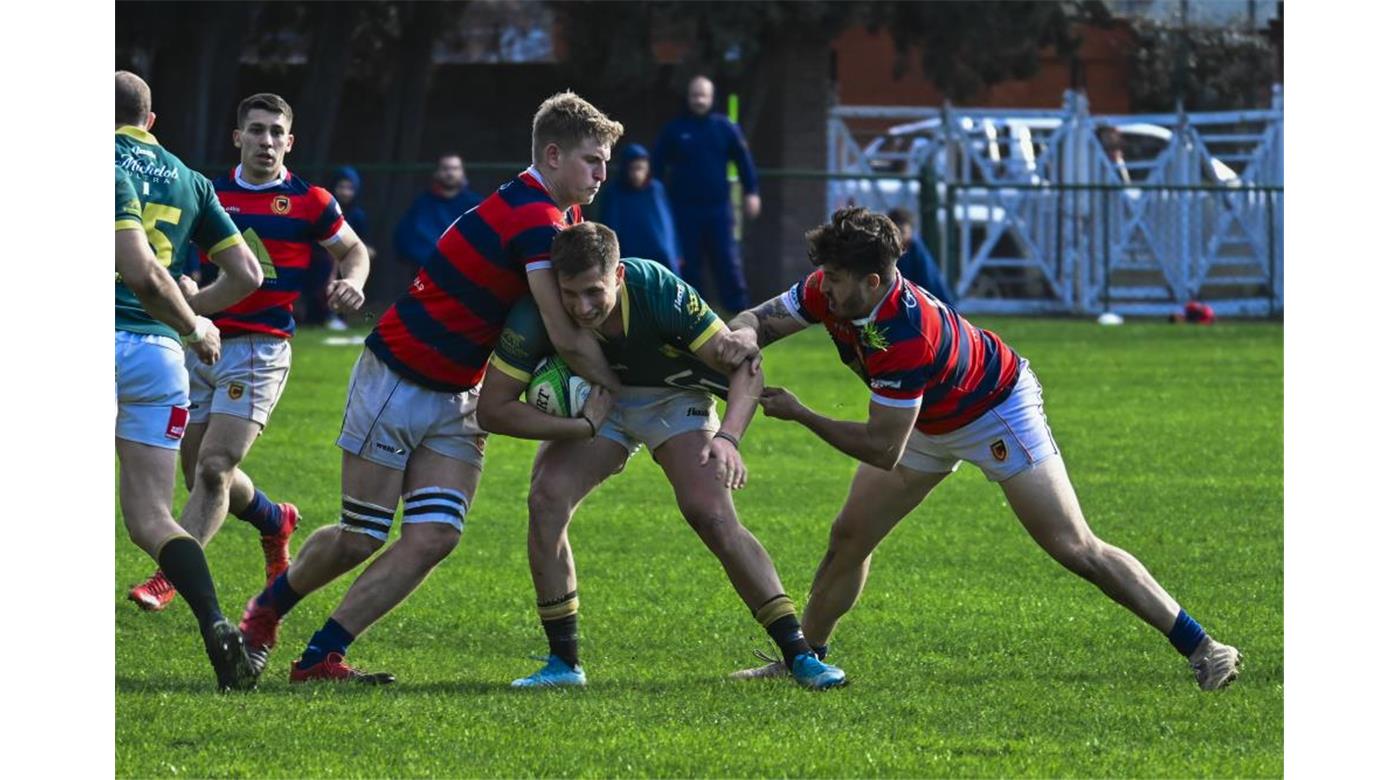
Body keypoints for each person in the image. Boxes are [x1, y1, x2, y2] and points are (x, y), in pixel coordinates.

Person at [725, 207, 1241, 691]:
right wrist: (740, 338)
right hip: (920, 416)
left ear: (873, 282)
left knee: (1074, 547)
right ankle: (803, 658)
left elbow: (883, 449)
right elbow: (759, 319)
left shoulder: (906, 336)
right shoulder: (831, 289)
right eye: (826, 276)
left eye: (835, 278)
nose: (824, 288)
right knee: (850, 537)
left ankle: (1204, 647)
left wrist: (804, 414)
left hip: (993, 412)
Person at [236, 91, 630, 684]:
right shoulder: (532, 217)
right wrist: (622, 387)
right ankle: (266, 611)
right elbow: (562, 331)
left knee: (436, 535)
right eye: (592, 160)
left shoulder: (563, 218)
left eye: (605, 162)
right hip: (400, 375)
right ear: (552, 156)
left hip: (461, 391)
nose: (602, 173)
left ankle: (321, 656)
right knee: (360, 536)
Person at [477, 223, 842, 690]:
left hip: (673, 401)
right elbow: (493, 409)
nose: (581, 307)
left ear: (619, 277)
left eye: (594, 292)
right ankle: (563, 665)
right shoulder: (538, 312)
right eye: (569, 294)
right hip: (600, 401)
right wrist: (581, 426)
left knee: (709, 513)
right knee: (546, 499)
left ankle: (800, 656)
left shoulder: (656, 289)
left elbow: (746, 367)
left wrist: (728, 438)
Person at [127, 93, 372, 612]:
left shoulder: (311, 201)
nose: (267, 141)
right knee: (197, 476)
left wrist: (352, 281)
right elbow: (171, 253)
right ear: (238, 137)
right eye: (256, 131)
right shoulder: (206, 193)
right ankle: (272, 519)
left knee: (215, 468)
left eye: (276, 132)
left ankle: (171, 574)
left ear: (290, 141)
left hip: (262, 348)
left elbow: (352, 250)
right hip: (201, 342)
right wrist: (186, 283)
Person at [114, 71, 264, 690]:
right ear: (152, 121)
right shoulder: (189, 176)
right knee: (152, 518)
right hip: (157, 357)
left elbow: (140, 271)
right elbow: (249, 273)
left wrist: (192, 321)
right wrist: (196, 314)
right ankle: (216, 622)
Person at [652, 75, 760, 313]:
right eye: (695, 95)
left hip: (719, 209)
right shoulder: (675, 130)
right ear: (688, 97)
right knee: (688, 264)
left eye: (704, 95)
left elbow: (744, 161)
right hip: (683, 209)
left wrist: (751, 191)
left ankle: (740, 314)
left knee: (727, 262)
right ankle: (692, 314)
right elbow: (657, 169)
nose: (699, 100)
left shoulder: (725, 128)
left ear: (712, 98)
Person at [304, 166, 375, 330]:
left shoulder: (358, 215)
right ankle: (315, 318)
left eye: (350, 188)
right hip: (321, 261)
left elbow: (363, 246)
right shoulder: (325, 210)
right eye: (341, 187)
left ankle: (337, 316)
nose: (345, 192)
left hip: (344, 262)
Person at [597, 143, 682, 274]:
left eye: (641, 168)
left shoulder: (656, 189)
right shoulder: (614, 193)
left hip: (662, 258)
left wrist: (676, 252)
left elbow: (669, 225)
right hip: (631, 260)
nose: (637, 174)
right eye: (633, 169)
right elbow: (610, 227)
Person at [393, 153, 483, 271]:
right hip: (428, 273)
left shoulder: (476, 204)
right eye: (445, 168)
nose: (450, 173)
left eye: (455, 168)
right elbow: (405, 239)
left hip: (467, 273)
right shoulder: (422, 204)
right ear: (436, 173)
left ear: (462, 173)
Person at [886, 208, 957, 310]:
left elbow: (930, 284)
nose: (899, 237)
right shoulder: (887, 252)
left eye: (902, 232)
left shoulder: (916, 250)